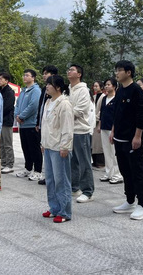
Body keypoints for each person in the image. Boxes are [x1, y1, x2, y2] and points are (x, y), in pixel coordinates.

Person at [110, 60, 143, 220]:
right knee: (125, 171)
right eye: (116, 70)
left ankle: (142, 205)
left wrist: (138, 136)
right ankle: (130, 200)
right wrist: (113, 131)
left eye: (119, 70)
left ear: (128, 72)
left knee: (137, 171)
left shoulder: (136, 91)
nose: (116, 73)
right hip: (119, 138)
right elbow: (117, 113)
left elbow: (141, 115)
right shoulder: (120, 90)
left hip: (132, 139)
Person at [40, 75, 74, 223]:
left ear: (58, 87)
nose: (47, 86)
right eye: (47, 84)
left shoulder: (64, 104)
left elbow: (67, 127)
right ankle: (54, 208)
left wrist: (65, 146)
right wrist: (43, 143)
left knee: (62, 180)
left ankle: (65, 211)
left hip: (59, 147)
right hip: (48, 145)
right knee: (50, 179)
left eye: (50, 84)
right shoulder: (48, 102)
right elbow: (45, 125)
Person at [67, 64, 95, 203]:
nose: (69, 71)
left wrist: (64, 114)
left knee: (84, 162)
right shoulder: (68, 89)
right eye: (69, 69)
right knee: (72, 161)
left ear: (79, 74)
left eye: (72, 70)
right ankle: (74, 187)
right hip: (69, 130)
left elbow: (79, 110)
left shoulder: (83, 90)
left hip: (80, 130)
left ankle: (88, 191)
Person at [14, 69, 42, 180]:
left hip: (31, 124)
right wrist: (17, 115)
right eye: (24, 75)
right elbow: (17, 105)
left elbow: (33, 106)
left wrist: (21, 116)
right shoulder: (23, 91)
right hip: (22, 125)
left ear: (33, 78)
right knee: (25, 148)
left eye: (27, 75)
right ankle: (28, 168)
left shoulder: (36, 90)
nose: (24, 77)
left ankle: (38, 171)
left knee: (34, 148)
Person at [36, 65, 59, 185]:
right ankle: (48, 176)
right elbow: (41, 107)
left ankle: (55, 176)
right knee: (45, 150)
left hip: (52, 127)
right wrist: (38, 122)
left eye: (46, 73)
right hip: (42, 124)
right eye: (43, 73)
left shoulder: (58, 92)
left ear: (53, 75)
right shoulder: (44, 89)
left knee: (53, 152)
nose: (44, 76)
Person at [99, 77, 122, 184]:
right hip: (104, 127)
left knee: (114, 152)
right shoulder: (104, 98)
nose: (106, 86)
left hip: (113, 128)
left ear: (114, 86)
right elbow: (102, 112)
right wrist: (99, 125)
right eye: (105, 85)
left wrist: (114, 129)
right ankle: (109, 173)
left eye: (108, 84)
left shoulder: (117, 99)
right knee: (106, 151)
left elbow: (117, 116)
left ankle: (117, 175)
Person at [0, 73, 16, 174]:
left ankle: (9, 164)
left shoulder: (9, 92)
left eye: (1, 79)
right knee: (1, 144)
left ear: (6, 81)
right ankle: (3, 163)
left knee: (7, 144)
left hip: (6, 120)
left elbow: (8, 107)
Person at [91, 81, 105, 168]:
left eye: (97, 86)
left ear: (101, 87)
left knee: (99, 143)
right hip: (92, 122)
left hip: (98, 122)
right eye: (94, 86)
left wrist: (96, 118)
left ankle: (100, 162)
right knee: (93, 143)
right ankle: (94, 161)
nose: (95, 87)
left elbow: (101, 110)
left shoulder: (103, 97)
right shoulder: (94, 97)